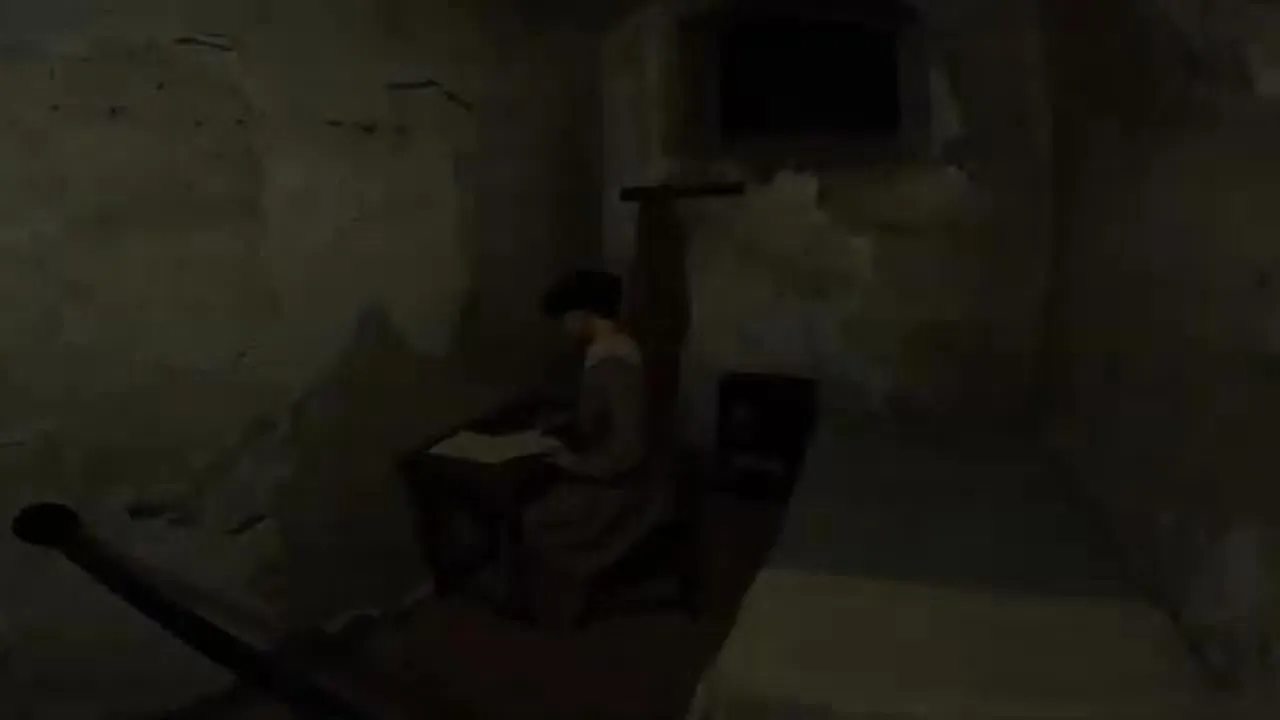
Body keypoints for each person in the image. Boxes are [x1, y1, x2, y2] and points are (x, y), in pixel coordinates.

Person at [518, 269, 660, 624]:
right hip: (618, 467)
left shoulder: (611, 362)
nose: (563, 328)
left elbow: (628, 447)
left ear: (583, 314)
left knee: (535, 519)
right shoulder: (617, 346)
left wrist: (572, 462)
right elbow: (603, 413)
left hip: (625, 483)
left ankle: (564, 602)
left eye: (565, 318)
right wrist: (563, 420)